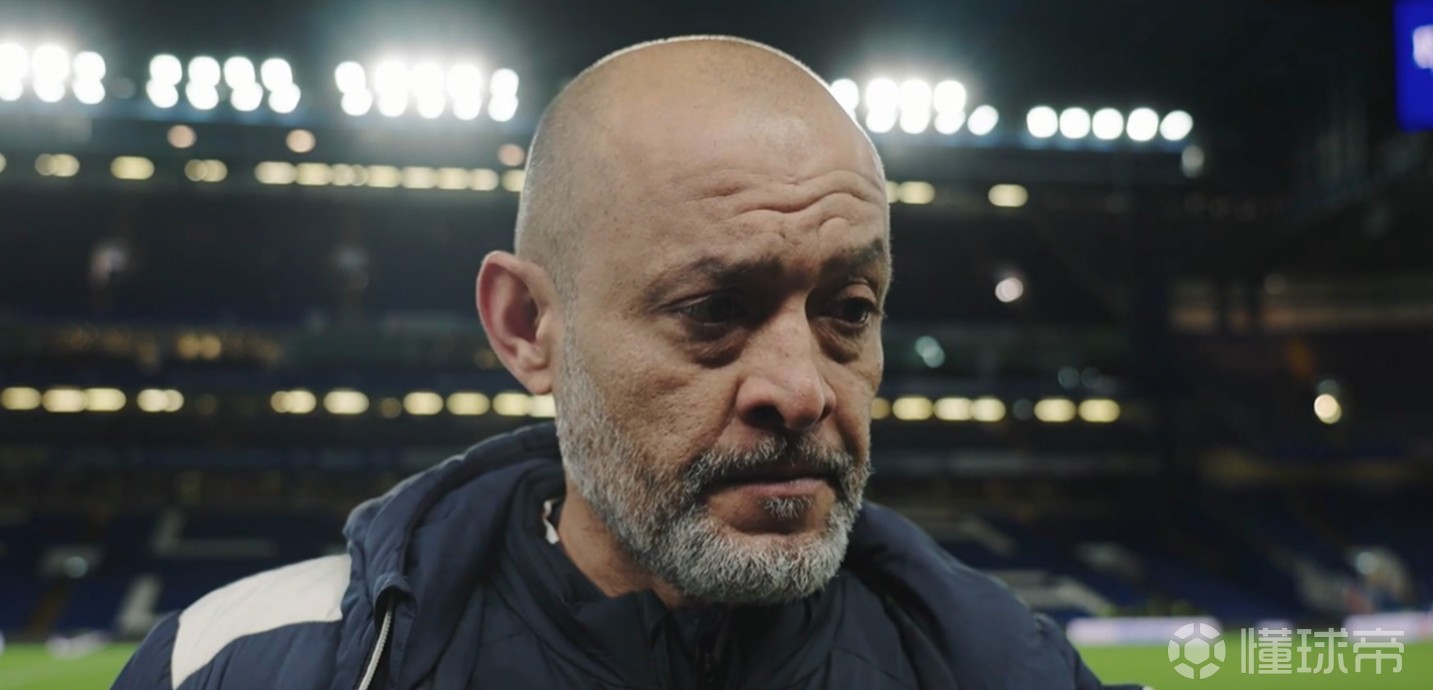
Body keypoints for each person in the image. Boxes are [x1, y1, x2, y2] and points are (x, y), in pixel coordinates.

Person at [114, 36, 1136, 690]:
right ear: (527, 327)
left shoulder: (1014, 670)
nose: (801, 388)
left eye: (847, 312)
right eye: (711, 312)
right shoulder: (243, 664)